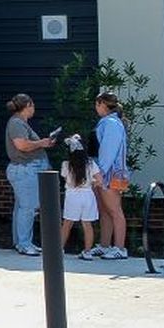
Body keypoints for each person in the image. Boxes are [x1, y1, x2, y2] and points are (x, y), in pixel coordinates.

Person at [3, 93, 56, 257]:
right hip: (25, 169)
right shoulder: (17, 123)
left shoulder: (19, 123)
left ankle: (22, 242)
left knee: (22, 207)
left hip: (25, 169)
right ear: (28, 106)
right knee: (28, 207)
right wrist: (42, 142)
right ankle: (24, 243)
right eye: (32, 106)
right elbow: (22, 145)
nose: (34, 109)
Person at [93, 91, 130, 259]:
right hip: (110, 172)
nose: (96, 108)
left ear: (102, 104)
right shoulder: (110, 122)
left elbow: (108, 150)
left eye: (97, 104)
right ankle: (105, 245)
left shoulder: (111, 123)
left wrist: (100, 171)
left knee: (114, 210)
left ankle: (120, 248)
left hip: (112, 173)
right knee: (105, 210)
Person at [61, 135, 102, 257]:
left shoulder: (66, 164)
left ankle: (59, 249)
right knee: (87, 224)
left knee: (67, 223)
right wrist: (92, 183)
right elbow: (99, 179)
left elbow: (65, 177)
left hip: (72, 195)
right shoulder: (91, 163)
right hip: (87, 194)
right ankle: (87, 251)